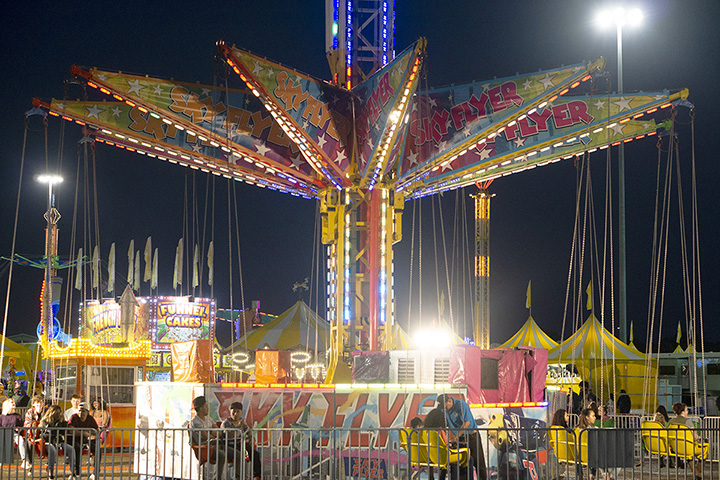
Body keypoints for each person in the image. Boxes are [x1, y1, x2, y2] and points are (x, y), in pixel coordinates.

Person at [437, 394, 486, 480]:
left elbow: (467, 423)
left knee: (478, 462)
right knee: (462, 463)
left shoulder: (461, 405)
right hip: (460, 438)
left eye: (445, 407)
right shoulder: (444, 411)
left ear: (449, 401)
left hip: (471, 436)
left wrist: (456, 437)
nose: (444, 409)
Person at [220, 401, 261, 480]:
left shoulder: (242, 422)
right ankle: (238, 477)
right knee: (239, 455)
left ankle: (256, 476)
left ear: (241, 413)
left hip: (240, 444)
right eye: (233, 411)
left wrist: (250, 438)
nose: (235, 414)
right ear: (230, 412)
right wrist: (238, 427)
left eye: (238, 412)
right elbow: (228, 436)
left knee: (255, 454)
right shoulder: (226, 423)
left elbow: (249, 432)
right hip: (229, 445)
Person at [190, 395, 225, 479]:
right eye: (206, 407)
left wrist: (210, 432)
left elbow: (219, 432)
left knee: (237, 453)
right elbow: (206, 437)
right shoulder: (195, 421)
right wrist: (212, 433)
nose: (208, 408)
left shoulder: (209, 418)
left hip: (215, 444)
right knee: (222, 455)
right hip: (205, 447)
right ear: (201, 408)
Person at [39, 404, 77, 480]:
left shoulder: (61, 422)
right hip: (47, 441)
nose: (58, 415)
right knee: (52, 450)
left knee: (71, 449)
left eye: (59, 413)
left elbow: (63, 432)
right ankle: (51, 472)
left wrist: (62, 424)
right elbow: (44, 433)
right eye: (56, 413)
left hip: (59, 441)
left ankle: (73, 471)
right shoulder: (45, 421)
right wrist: (53, 428)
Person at [668, 402, 704, 479]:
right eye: (687, 410)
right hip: (688, 448)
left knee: (689, 455)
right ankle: (697, 472)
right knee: (703, 451)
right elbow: (695, 436)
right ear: (683, 412)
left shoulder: (671, 422)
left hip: (675, 448)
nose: (687, 412)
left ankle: (697, 473)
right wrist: (701, 438)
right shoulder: (688, 422)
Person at [68, 402, 102, 479]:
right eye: (79, 410)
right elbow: (70, 430)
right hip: (75, 441)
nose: (81, 413)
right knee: (77, 448)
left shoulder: (90, 419)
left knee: (98, 449)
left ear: (87, 412)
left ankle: (95, 472)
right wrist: (83, 433)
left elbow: (96, 430)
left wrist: (87, 432)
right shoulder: (74, 417)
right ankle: (77, 472)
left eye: (83, 411)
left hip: (87, 441)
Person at [0, 398, 33, 469]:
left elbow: (21, 426)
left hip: (14, 433)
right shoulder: (2, 417)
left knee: (20, 440)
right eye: (12, 402)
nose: (14, 403)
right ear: (7, 405)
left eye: (14, 402)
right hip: (4, 433)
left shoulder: (17, 416)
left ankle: (24, 461)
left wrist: (19, 429)